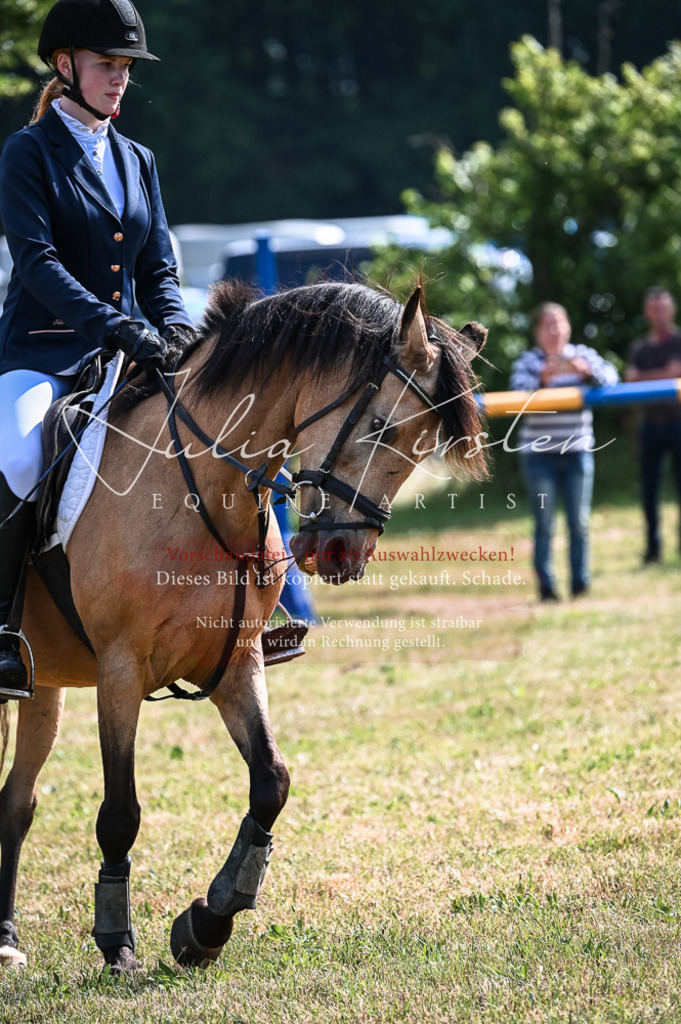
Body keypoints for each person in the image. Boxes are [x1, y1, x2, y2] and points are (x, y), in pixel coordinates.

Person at [0, 0, 195, 698]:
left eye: (124, 68)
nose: (118, 79)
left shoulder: (136, 158)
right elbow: (38, 263)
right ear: (65, 65)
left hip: (128, 356)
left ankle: (231, 615)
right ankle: (3, 634)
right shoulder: (27, 153)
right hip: (41, 353)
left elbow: (158, 270)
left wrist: (175, 328)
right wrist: (116, 327)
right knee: (20, 453)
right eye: (106, 65)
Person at [510, 302, 618, 601]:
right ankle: (546, 586)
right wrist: (543, 379)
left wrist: (588, 373)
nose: (555, 330)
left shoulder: (583, 356)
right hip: (538, 456)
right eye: (548, 324)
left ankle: (580, 584)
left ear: (569, 327)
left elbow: (612, 380)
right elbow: (516, 396)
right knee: (544, 523)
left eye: (560, 323)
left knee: (578, 521)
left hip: (577, 451)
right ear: (537, 331)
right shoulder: (529, 362)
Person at [625, 287, 681, 564]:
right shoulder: (641, 348)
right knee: (649, 490)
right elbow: (629, 379)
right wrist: (665, 375)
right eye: (654, 308)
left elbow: (639, 378)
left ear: (672, 310)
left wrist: (643, 378)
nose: (659, 313)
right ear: (647, 312)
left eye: (663, 307)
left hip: (679, 423)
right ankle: (652, 549)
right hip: (650, 425)